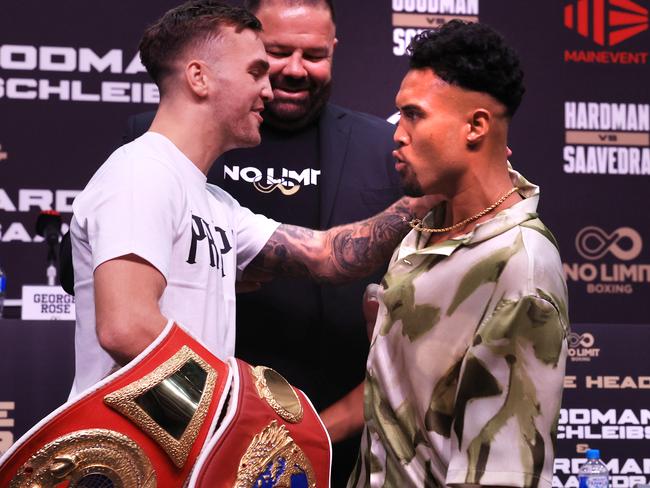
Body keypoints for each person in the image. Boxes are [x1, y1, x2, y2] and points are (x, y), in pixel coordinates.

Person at [69, 0, 432, 411]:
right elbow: (126, 328)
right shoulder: (141, 173)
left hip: (188, 447)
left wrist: (434, 195)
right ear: (199, 78)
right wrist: (242, 405)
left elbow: (325, 254)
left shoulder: (213, 201)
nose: (269, 87)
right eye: (257, 70)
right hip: (129, 456)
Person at [123, 1, 400, 482]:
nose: (290, 72)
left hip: (334, 438)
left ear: (334, 50)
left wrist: (436, 195)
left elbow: (326, 254)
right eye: (269, 57)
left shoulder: (381, 146)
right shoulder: (150, 160)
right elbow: (117, 313)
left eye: (314, 55)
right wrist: (231, 416)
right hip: (190, 427)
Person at [348, 21, 569, 487]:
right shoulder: (428, 229)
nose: (397, 134)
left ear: (476, 126)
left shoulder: (519, 266)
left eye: (414, 115)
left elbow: (504, 474)